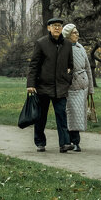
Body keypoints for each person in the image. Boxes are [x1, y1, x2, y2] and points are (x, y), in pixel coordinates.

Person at [26, 17, 74, 153]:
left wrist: (68, 78)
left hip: (61, 87)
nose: (57, 28)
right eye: (54, 26)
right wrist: (31, 84)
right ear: (49, 28)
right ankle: (40, 142)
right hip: (43, 87)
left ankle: (64, 143)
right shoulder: (41, 43)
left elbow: (71, 65)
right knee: (41, 117)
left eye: (59, 26)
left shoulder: (67, 45)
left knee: (62, 115)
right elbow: (33, 65)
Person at [63, 24, 94, 151]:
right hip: (71, 86)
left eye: (77, 32)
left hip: (83, 85)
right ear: (68, 35)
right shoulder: (63, 49)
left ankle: (74, 141)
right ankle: (74, 141)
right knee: (72, 114)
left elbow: (88, 69)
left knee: (79, 114)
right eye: (74, 32)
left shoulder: (80, 47)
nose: (77, 34)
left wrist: (91, 89)